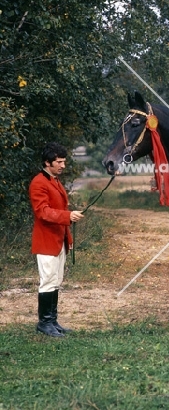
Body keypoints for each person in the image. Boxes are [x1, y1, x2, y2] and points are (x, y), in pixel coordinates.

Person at [29, 142, 84, 337]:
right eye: (59, 162)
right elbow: (42, 212)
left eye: (64, 161)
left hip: (58, 239)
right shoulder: (38, 182)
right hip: (46, 240)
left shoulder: (54, 180)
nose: (63, 165)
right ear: (47, 162)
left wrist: (67, 232)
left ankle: (52, 321)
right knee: (48, 281)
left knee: (56, 280)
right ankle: (44, 323)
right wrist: (67, 216)